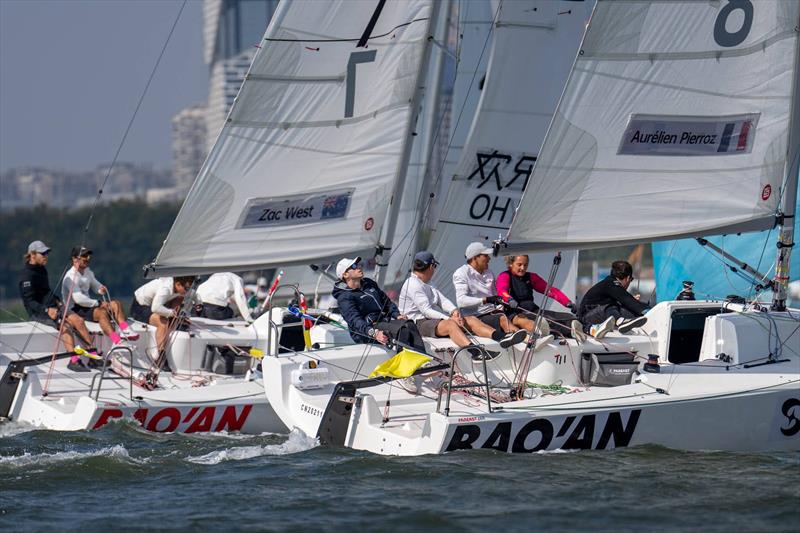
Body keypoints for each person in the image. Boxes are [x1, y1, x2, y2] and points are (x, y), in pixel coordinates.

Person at [399, 251, 523, 361]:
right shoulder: (413, 284)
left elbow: (442, 300)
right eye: (435, 266)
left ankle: (501, 337)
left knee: (471, 319)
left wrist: (454, 311)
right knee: (451, 324)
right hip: (417, 323)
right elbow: (426, 310)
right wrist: (449, 319)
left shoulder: (427, 282)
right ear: (431, 266)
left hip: (431, 319)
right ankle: (475, 353)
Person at [19, 240, 96, 372]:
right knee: (65, 326)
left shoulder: (42, 270)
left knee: (78, 320)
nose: (46, 256)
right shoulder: (27, 276)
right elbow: (30, 302)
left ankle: (93, 357)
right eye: (43, 254)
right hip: (39, 312)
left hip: (53, 307)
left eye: (47, 253)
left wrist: (58, 302)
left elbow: (47, 291)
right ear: (32, 255)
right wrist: (47, 310)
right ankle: (73, 361)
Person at [332, 256, 426, 353]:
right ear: (345, 275)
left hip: (383, 322)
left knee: (410, 324)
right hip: (366, 331)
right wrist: (374, 333)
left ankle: (423, 359)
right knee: (402, 330)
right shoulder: (344, 297)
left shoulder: (369, 283)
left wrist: (396, 315)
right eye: (354, 266)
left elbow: (386, 301)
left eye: (359, 265)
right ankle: (407, 363)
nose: (359, 267)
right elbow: (355, 321)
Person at [62, 246, 140, 347]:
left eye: (88, 256)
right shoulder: (70, 277)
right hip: (75, 308)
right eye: (84, 256)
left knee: (116, 304)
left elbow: (95, 285)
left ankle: (125, 330)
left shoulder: (88, 272)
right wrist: (98, 303)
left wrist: (100, 289)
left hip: (88, 304)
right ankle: (116, 341)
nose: (88, 258)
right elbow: (78, 299)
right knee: (101, 313)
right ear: (74, 259)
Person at [453, 242, 528, 345]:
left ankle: (528, 339)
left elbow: (495, 295)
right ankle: (526, 341)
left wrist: (503, 306)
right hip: (475, 316)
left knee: (515, 317)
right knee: (502, 319)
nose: (489, 259)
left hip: (492, 312)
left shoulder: (489, 272)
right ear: (475, 258)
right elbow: (461, 301)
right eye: (486, 256)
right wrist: (486, 300)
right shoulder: (461, 273)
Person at [496, 254, 581, 338]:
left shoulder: (531, 277)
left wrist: (568, 302)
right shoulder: (504, 276)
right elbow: (501, 291)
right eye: (519, 265)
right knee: (545, 320)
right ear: (510, 264)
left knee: (567, 317)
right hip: (517, 312)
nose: (523, 268)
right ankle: (568, 331)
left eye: (525, 265)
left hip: (533, 310)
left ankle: (574, 328)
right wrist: (509, 299)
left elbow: (550, 290)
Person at [130, 276, 196, 366]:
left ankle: (176, 319)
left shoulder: (179, 287)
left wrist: (198, 304)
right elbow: (155, 308)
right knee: (163, 322)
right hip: (140, 307)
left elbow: (193, 293)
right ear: (178, 284)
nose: (188, 291)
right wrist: (171, 313)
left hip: (157, 304)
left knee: (180, 297)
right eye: (186, 288)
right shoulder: (166, 289)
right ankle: (161, 355)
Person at [578, 260, 649, 338]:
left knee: (622, 308)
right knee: (611, 306)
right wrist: (649, 310)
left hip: (594, 314)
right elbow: (627, 300)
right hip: (586, 318)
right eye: (631, 280)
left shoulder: (609, 283)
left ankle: (627, 321)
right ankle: (620, 321)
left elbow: (626, 299)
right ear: (628, 278)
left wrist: (633, 302)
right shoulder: (611, 284)